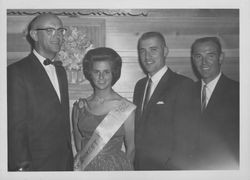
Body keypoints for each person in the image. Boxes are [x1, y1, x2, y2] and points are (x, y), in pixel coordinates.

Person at [7, 13, 73, 171]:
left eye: (60, 31)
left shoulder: (60, 71)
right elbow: (15, 127)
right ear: (34, 35)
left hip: (64, 164)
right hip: (35, 166)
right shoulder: (15, 72)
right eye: (50, 30)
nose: (57, 36)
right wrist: (21, 168)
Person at [133, 31, 199, 170]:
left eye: (153, 50)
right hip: (140, 168)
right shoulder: (139, 86)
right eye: (142, 51)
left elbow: (186, 139)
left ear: (165, 51)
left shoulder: (183, 85)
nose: (147, 56)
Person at [72, 47, 136, 171]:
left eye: (106, 72)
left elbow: (131, 148)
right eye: (97, 72)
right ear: (90, 73)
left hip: (115, 169)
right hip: (86, 168)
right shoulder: (79, 107)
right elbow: (79, 145)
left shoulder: (125, 108)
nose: (101, 77)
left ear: (114, 73)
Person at [191, 36, 239, 169]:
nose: (204, 63)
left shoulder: (239, 93)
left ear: (221, 57)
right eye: (198, 56)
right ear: (193, 59)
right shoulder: (186, 92)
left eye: (210, 56)